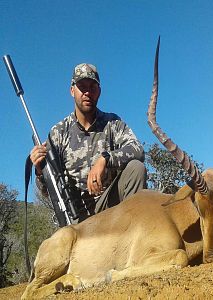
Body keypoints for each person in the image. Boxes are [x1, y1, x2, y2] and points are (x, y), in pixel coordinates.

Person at [30, 63, 147, 223]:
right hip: (78, 217)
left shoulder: (112, 122)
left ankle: (133, 232)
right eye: (82, 87)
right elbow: (47, 192)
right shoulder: (58, 132)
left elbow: (137, 150)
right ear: (72, 90)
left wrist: (104, 159)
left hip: (111, 206)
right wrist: (39, 170)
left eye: (93, 87)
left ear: (99, 91)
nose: (87, 92)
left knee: (136, 168)